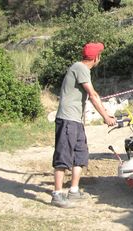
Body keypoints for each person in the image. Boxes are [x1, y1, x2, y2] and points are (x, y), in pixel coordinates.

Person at [51, 42, 117, 208]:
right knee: (63, 155)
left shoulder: (82, 70)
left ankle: (74, 190)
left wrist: (106, 112)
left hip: (76, 120)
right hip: (67, 119)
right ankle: (57, 194)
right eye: (99, 55)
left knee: (80, 154)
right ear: (96, 58)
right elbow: (93, 95)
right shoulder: (80, 68)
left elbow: (94, 95)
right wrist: (106, 117)